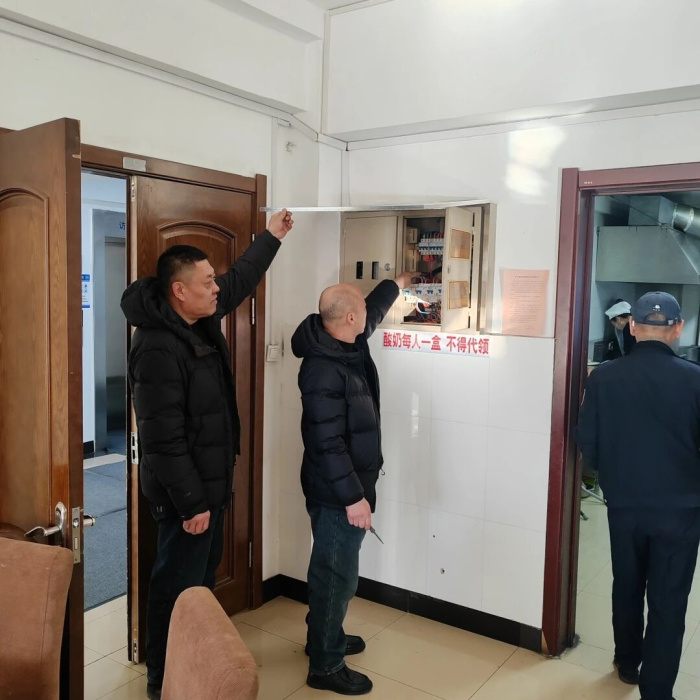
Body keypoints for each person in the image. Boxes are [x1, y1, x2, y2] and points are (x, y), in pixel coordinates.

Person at [121, 209, 293, 700]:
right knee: (176, 590)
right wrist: (193, 503)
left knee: (198, 587)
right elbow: (162, 439)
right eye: (206, 282)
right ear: (179, 290)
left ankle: (194, 671)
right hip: (186, 497)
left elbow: (237, 282)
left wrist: (272, 237)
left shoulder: (197, 321)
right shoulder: (157, 346)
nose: (216, 288)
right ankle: (162, 680)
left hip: (210, 487)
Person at [291, 273, 412, 696]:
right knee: (336, 576)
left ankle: (323, 637)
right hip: (336, 493)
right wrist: (354, 497)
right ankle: (325, 665)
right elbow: (327, 443)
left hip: (343, 487)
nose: (367, 315)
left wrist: (395, 283)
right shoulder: (323, 370)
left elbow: (371, 311)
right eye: (360, 309)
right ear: (348, 318)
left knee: (334, 569)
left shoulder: (345, 342)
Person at [576, 291, 700, 700]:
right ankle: (657, 692)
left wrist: (613, 479)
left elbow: (587, 441)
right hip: (681, 510)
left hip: (625, 504)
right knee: (669, 599)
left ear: (633, 326)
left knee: (627, 584)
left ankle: (627, 662)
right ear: (678, 329)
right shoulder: (695, 379)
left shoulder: (604, 377)